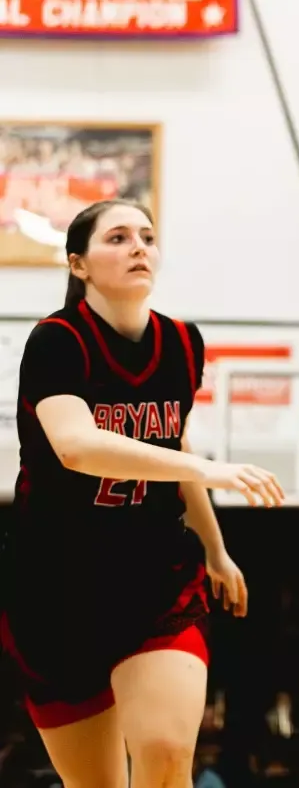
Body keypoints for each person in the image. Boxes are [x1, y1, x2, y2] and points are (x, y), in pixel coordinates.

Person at [1, 199, 284, 788]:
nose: (139, 247)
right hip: (54, 587)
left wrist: (215, 547)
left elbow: (173, 443)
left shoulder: (183, 342)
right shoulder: (56, 341)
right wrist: (214, 470)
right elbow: (76, 447)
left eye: (148, 237)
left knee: (163, 750)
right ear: (78, 264)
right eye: (119, 237)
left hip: (155, 572)